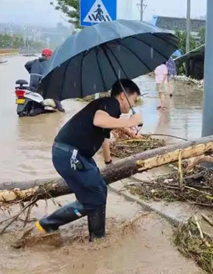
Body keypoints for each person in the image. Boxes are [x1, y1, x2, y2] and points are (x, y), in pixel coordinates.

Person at [35, 79, 143, 241]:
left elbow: (104, 139)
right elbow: (98, 121)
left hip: (74, 154)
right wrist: (130, 121)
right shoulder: (110, 103)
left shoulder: (109, 109)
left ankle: (92, 236)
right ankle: (54, 226)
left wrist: (108, 162)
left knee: (99, 189)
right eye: (134, 100)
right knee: (95, 196)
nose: (133, 105)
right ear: (123, 96)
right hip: (69, 153)